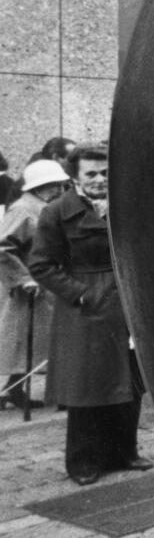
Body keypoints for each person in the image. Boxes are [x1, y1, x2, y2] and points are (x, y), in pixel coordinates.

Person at [31, 144, 151, 485]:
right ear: (75, 176)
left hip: (126, 304)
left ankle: (125, 452)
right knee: (87, 388)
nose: (100, 180)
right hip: (87, 309)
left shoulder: (126, 205)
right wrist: (80, 294)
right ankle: (83, 462)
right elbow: (41, 264)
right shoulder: (56, 212)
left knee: (130, 384)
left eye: (105, 172)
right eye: (91, 174)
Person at [0, 160, 68, 411]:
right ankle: (60, 395)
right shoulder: (23, 209)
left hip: (46, 283)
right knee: (32, 342)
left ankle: (14, 390)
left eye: (59, 186)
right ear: (39, 187)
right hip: (30, 287)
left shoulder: (41, 206)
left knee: (39, 343)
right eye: (52, 186)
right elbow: (3, 247)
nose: (58, 191)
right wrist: (22, 278)